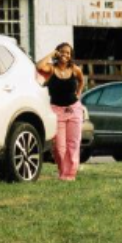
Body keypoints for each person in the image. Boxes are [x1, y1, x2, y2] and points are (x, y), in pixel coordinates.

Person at [36, 43, 85, 181]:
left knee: (73, 144)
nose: (65, 55)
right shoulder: (51, 69)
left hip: (73, 109)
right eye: (62, 52)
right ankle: (63, 171)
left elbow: (81, 81)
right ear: (58, 53)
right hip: (56, 111)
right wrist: (52, 53)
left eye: (68, 53)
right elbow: (38, 66)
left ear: (71, 56)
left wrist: (78, 94)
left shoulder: (75, 70)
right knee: (59, 147)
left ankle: (69, 175)